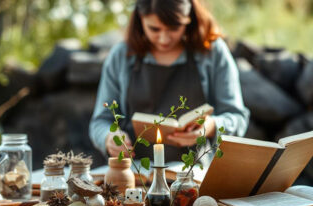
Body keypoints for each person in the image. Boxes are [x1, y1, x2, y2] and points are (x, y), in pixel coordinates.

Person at [89, 0, 249, 163]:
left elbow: (237, 118)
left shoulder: (213, 53)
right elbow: (100, 122)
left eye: (174, 28)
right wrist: (109, 137)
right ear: (140, 18)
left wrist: (210, 127)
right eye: (154, 29)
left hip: (193, 178)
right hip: (133, 177)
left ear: (189, 18)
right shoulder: (121, 56)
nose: (164, 39)